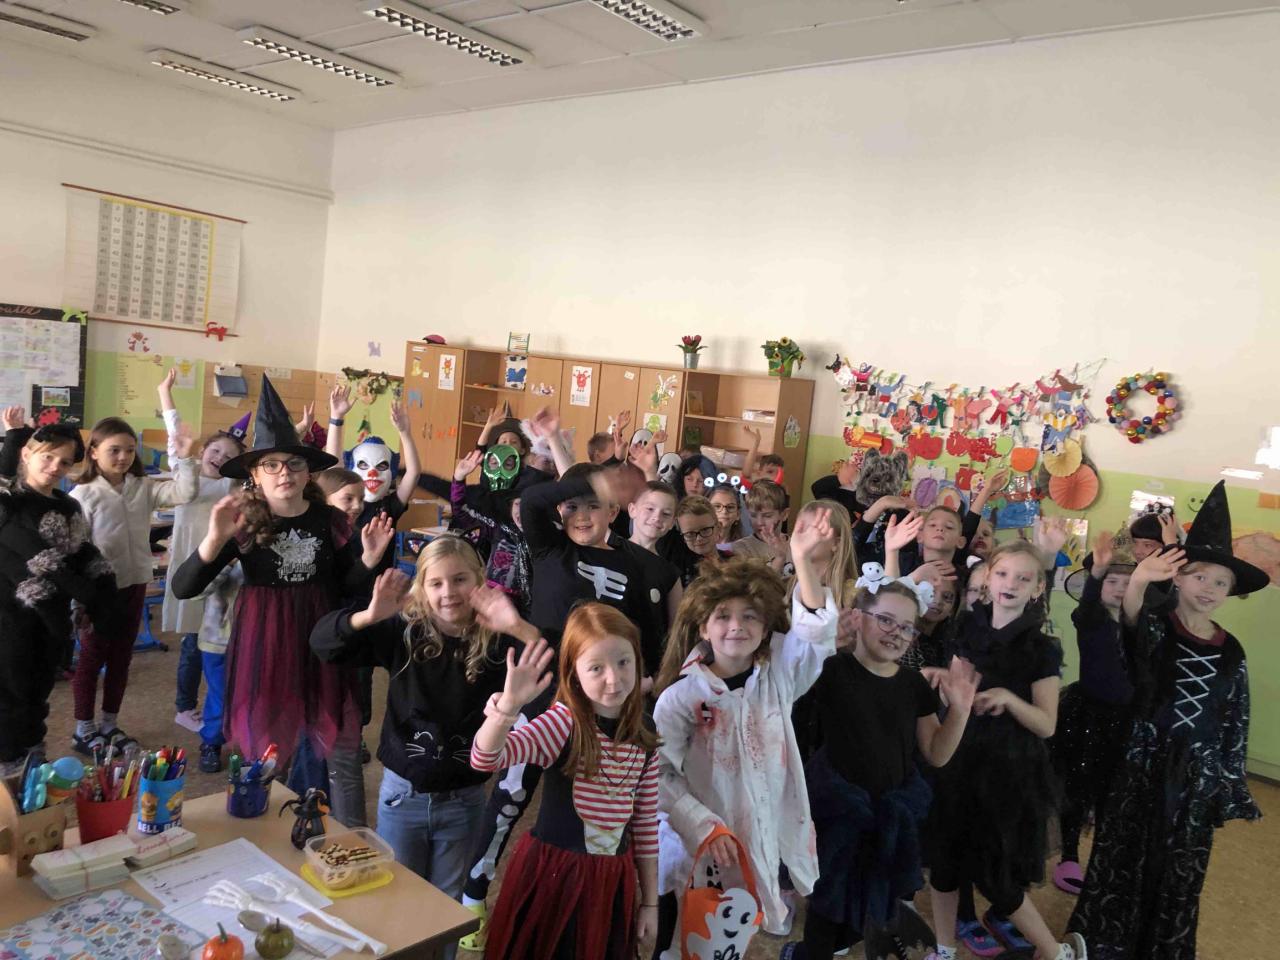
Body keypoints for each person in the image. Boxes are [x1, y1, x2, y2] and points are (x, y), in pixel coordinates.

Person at [312, 538, 540, 960]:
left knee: (447, 907)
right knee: (399, 898)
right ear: (422, 588)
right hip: (403, 796)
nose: (448, 592)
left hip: (464, 799)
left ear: (480, 582)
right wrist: (368, 616)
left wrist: (517, 627)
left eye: (459, 580)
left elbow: (566, 666)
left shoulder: (499, 642)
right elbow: (323, 643)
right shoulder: (404, 632)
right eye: (436, 583)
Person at [170, 376, 394, 801]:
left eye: (293, 464)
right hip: (266, 637)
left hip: (320, 632)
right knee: (270, 734)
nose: (284, 473)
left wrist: (367, 559)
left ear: (308, 471)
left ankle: (309, 805)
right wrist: (214, 539)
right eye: (270, 465)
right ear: (254, 475)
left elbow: (343, 584)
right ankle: (266, 806)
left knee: (316, 731)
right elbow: (184, 587)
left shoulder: (328, 520)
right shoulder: (243, 521)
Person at [1068, 482, 1267, 960]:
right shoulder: (1157, 625)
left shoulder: (1231, 649)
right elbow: (1132, 620)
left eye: (1221, 583)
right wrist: (1139, 578)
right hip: (1142, 764)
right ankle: (1106, 942)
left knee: (1178, 865)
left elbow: (1234, 720)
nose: (1210, 590)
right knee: (1125, 852)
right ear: (1177, 578)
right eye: (1200, 577)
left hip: (1195, 777)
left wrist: (1225, 783)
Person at [653, 510, 839, 955]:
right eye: (723, 616)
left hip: (757, 841)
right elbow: (658, 776)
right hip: (700, 849)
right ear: (703, 626)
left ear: (766, 626)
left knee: (732, 939)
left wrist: (803, 561)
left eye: (750, 616)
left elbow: (815, 637)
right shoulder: (681, 699)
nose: (737, 626)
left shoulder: (779, 679)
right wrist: (703, 826)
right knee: (685, 942)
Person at [785, 574, 978, 960]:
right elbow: (788, 685)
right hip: (837, 812)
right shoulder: (832, 669)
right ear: (858, 617)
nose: (896, 633)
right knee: (825, 911)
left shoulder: (912, 685)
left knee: (866, 914)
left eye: (906, 627)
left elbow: (936, 753)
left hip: (889, 817)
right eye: (886, 620)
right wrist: (825, 642)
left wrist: (960, 710)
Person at [471, 603, 660, 960]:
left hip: (611, 882)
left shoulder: (645, 732)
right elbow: (485, 759)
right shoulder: (562, 723)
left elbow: (646, 823)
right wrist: (506, 709)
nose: (614, 679)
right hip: (555, 879)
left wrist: (650, 902)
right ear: (573, 672)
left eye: (623, 662)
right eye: (596, 668)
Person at [926, 540, 1085, 960]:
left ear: (1037, 588)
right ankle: (944, 949)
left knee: (995, 875)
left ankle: (1056, 953)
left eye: (1022, 577)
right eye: (1002, 574)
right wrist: (941, 678)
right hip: (959, 757)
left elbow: (1047, 724)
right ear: (988, 578)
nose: (1009, 583)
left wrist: (1010, 700)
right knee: (944, 864)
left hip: (1007, 771)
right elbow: (955, 693)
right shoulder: (968, 627)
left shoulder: (1041, 648)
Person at [71, 414, 198, 754]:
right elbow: (76, 550)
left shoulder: (141, 486)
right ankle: (84, 729)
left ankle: (109, 724)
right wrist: (80, 600)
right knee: (92, 658)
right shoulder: (84, 494)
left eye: (129, 450)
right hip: (99, 591)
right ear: (94, 452)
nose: (123, 457)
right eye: (114, 450)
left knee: (121, 658)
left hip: (135, 583)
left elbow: (184, 492)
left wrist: (186, 458)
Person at [0, 419, 119, 777]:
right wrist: (14, 437)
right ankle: (8, 764)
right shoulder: (10, 503)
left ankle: (32, 755)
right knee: (10, 689)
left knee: (38, 687)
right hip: (10, 615)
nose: (55, 467)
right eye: (47, 457)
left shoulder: (68, 505)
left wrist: (101, 587)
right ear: (27, 455)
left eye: (65, 462)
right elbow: (43, 560)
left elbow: (80, 550)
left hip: (50, 619)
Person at [157, 369, 248, 760]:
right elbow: (174, 435)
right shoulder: (186, 472)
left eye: (229, 458)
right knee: (191, 642)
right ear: (204, 449)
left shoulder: (232, 487)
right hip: (189, 567)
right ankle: (184, 706)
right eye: (215, 451)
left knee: (204, 642)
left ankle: (203, 706)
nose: (219, 458)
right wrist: (165, 393)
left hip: (220, 574)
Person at [1051, 527, 1137, 895]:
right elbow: (1087, 607)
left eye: (1127, 583)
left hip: (1128, 721)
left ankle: (1104, 857)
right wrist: (1098, 572)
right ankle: (1069, 855)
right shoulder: (1091, 619)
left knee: (1114, 792)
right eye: (1112, 581)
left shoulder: (1142, 627)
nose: (1119, 588)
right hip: (1087, 715)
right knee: (1078, 787)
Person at [731, 479, 792, 573]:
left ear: (784, 514)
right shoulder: (742, 548)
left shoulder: (796, 545)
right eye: (753, 515)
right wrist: (780, 558)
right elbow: (759, 583)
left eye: (767, 516)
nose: (759, 522)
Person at [665, 495, 728, 586]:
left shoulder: (734, 561)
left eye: (705, 530)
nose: (699, 538)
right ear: (683, 536)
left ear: (719, 528)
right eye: (690, 534)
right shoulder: (677, 569)